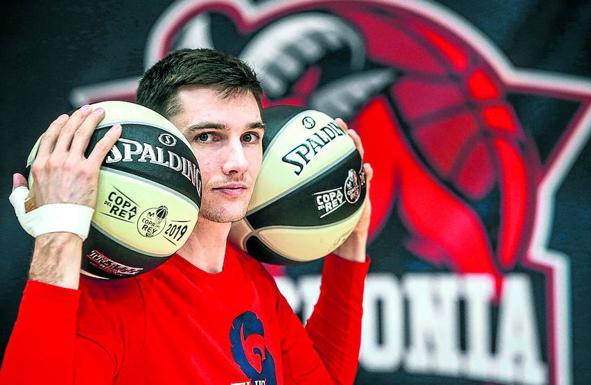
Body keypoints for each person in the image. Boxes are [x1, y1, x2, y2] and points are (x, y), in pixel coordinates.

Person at [0, 48, 373, 385]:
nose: (237, 164)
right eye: (208, 137)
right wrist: (58, 236)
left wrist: (350, 245)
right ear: (160, 140)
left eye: (249, 138)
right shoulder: (112, 297)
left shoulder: (251, 279)